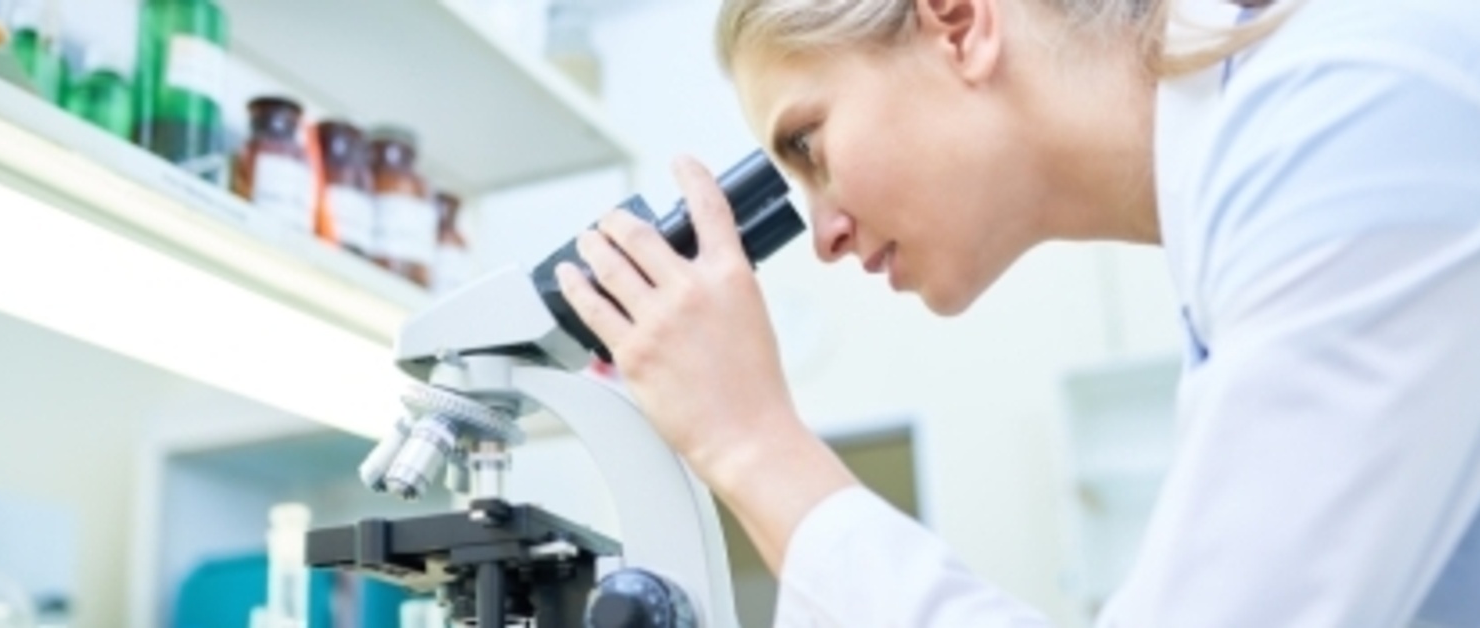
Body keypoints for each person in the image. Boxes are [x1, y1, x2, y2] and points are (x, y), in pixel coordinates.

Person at [555, 0, 1480, 624]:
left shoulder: (1342, 124)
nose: (823, 233)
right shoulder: (1264, 170)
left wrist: (750, 445)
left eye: (808, 142)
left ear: (956, 23)